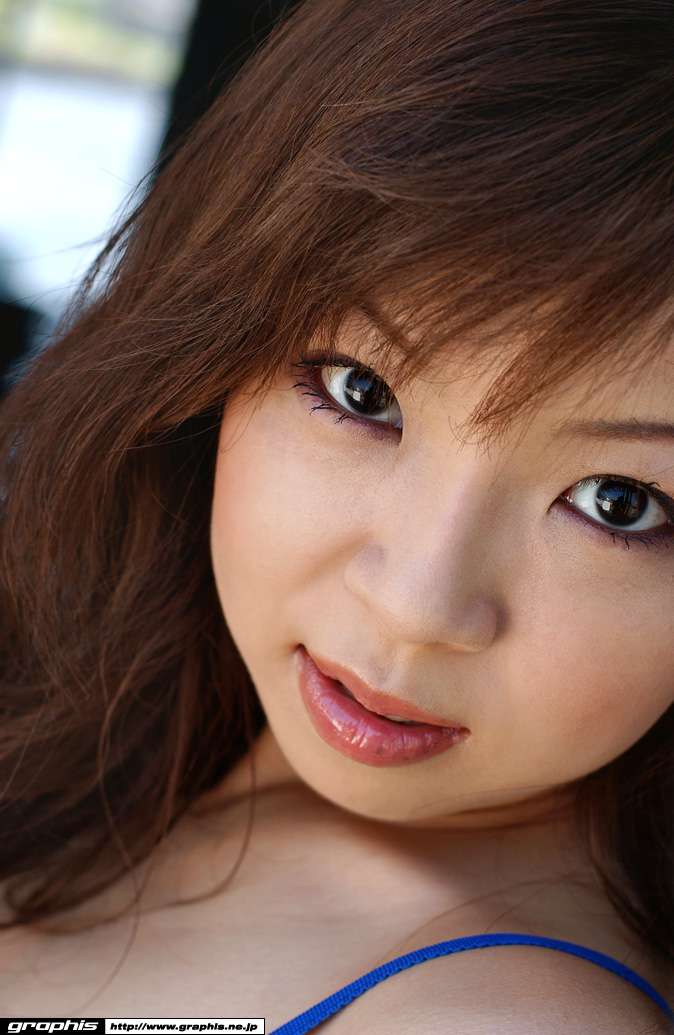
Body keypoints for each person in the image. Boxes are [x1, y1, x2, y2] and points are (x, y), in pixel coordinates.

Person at [1, 1, 673, 1031]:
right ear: (213, 353)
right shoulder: (98, 729)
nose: (416, 605)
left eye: (615, 504)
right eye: (364, 393)